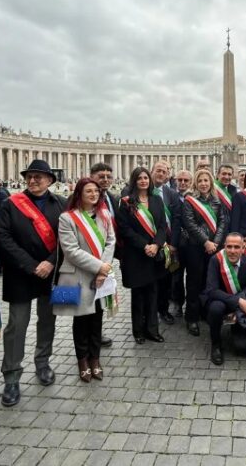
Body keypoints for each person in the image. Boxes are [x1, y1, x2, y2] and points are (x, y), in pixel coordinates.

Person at [0, 160, 65, 407]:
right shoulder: (10, 204)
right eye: (30, 176)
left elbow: (67, 239)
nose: (33, 180)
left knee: (48, 320)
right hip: (20, 274)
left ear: (50, 180)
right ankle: (12, 376)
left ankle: (43, 362)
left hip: (52, 273)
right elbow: (3, 238)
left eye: (39, 176)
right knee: (17, 325)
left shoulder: (61, 203)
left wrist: (49, 262)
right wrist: (30, 264)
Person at [54, 178, 115, 383]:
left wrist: (103, 269)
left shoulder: (105, 214)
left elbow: (110, 242)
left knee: (96, 319)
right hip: (75, 276)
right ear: (79, 193)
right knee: (79, 320)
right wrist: (100, 266)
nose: (93, 194)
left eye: (96, 191)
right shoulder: (67, 218)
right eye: (88, 191)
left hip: (100, 276)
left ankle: (95, 359)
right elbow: (70, 251)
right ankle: (82, 360)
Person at [202, 232, 246, 365]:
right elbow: (212, 290)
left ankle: (240, 333)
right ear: (224, 246)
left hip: (240, 301)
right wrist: (237, 301)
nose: (232, 251)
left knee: (241, 347)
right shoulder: (216, 260)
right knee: (216, 309)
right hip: (219, 299)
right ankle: (216, 345)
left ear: (243, 248)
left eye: (236, 247)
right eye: (229, 247)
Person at [117, 167, 168, 344]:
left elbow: (162, 226)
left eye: (146, 177)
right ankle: (138, 330)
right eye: (139, 178)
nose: (143, 181)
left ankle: (152, 329)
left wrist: (156, 244)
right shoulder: (126, 202)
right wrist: (144, 245)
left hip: (154, 253)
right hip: (136, 254)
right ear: (134, 181)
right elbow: (125, 229)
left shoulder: (157, 200)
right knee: (138, 294)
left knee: (153, 293)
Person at [180, 169, 227, 336]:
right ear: (196, 183)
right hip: (195, 247)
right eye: (200, 181)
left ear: (211, 182)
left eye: (206, 180)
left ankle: (205, 311)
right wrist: (206, 242)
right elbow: (189, 224)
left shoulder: (217, 201)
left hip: (214, 247)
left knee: (210, 281)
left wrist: (215, 242)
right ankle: (191, 317)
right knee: (194, 282)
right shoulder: (189, 201)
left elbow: (222, 222)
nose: (203, 184)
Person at [89, 162, 119, 347]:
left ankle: (96, 334)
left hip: (107, 255)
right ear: (92, 176)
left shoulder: (112, 198)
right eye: (101, 176)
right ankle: (87, 338)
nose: (105, 180)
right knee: (87, 298)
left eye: (108, 176)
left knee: (100, 296)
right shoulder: (85, 199)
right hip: (89, 257)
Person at [151, 160, 180, 325]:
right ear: (152, 171)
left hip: (168, 244)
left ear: (168, 174)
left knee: (166, 279)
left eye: (164, 171)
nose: (161, 174)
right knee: (150, 279)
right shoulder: (144, 192)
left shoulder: (172, 193)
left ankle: (163, 310)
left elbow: (176, 220)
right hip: (151, 243)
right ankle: (150, 312)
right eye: (158, 170)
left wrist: (174, 243)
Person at [170, 169, 193, 317]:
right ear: (176, 181)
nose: (183, 183)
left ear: (191, 182)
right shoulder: (171, 196)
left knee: (192, 276)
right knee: (175, 277)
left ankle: (192, 305)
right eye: (180, 180)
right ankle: (177, 303)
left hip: (192, 245)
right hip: (175, 245)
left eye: (186, 180)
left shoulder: (196, 197)